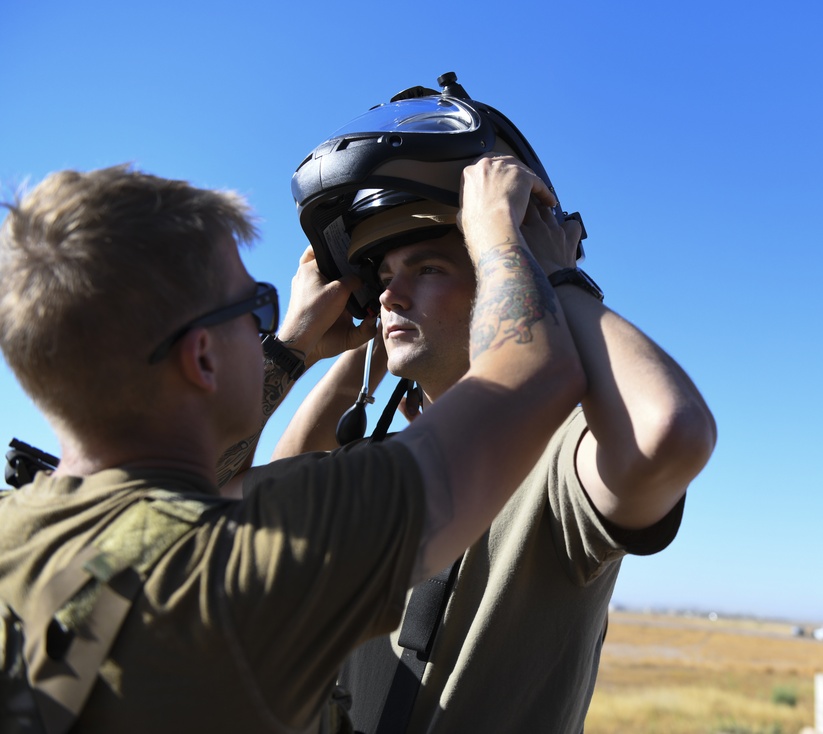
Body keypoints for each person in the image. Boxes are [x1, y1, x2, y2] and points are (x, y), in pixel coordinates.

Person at [0, 160, 584, 732]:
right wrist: (506, 239)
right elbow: (535, 377)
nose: (273, 329)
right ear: (202, 357)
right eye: (256, 307)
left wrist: (291, 347)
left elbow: (202, 484)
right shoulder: (247, 563)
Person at [253, 86, 718, 732]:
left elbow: (670, 431)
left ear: (503, 278)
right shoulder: (379, 461)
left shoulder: (557, 463)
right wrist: (310, 346)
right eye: (382, 278)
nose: (392, 295)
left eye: (427, 269)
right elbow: (266, 511)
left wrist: (546, 270)